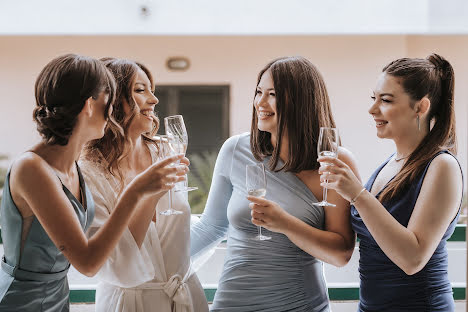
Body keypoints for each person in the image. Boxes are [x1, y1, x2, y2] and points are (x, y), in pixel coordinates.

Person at [0, 54, 185, 311]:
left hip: (57, 300)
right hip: (21, 303)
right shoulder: (32, 168)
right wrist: (136, 192)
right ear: (89, 105)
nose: (112, 113)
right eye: (108, 101)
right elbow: (88, 263)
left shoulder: (72, 165)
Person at [191, 56, 360, 311]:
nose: (260, 102)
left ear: (301, 102)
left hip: (300, 304)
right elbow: (211, 227)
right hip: (232, 303)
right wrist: (153, 262)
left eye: (272, 94)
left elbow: (341, 254)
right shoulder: (235, 149)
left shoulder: (334, 160)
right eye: (258, 92)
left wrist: (285, 223)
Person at [318, 54, 464, 311]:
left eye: (385, 100)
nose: (373, 109)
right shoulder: (389, 165)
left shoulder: (442, 166)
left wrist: (357, 194)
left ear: (421, 107)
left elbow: (413, 258)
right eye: (373, 99)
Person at [79, 58, 209, 312]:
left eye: (152, 89)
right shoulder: (88, 174)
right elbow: (117, 262)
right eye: (140, 90)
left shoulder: (165, 150)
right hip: (130, 303)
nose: (154, 99)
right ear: (112, 101)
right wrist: (150, 195)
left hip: (185, 297)